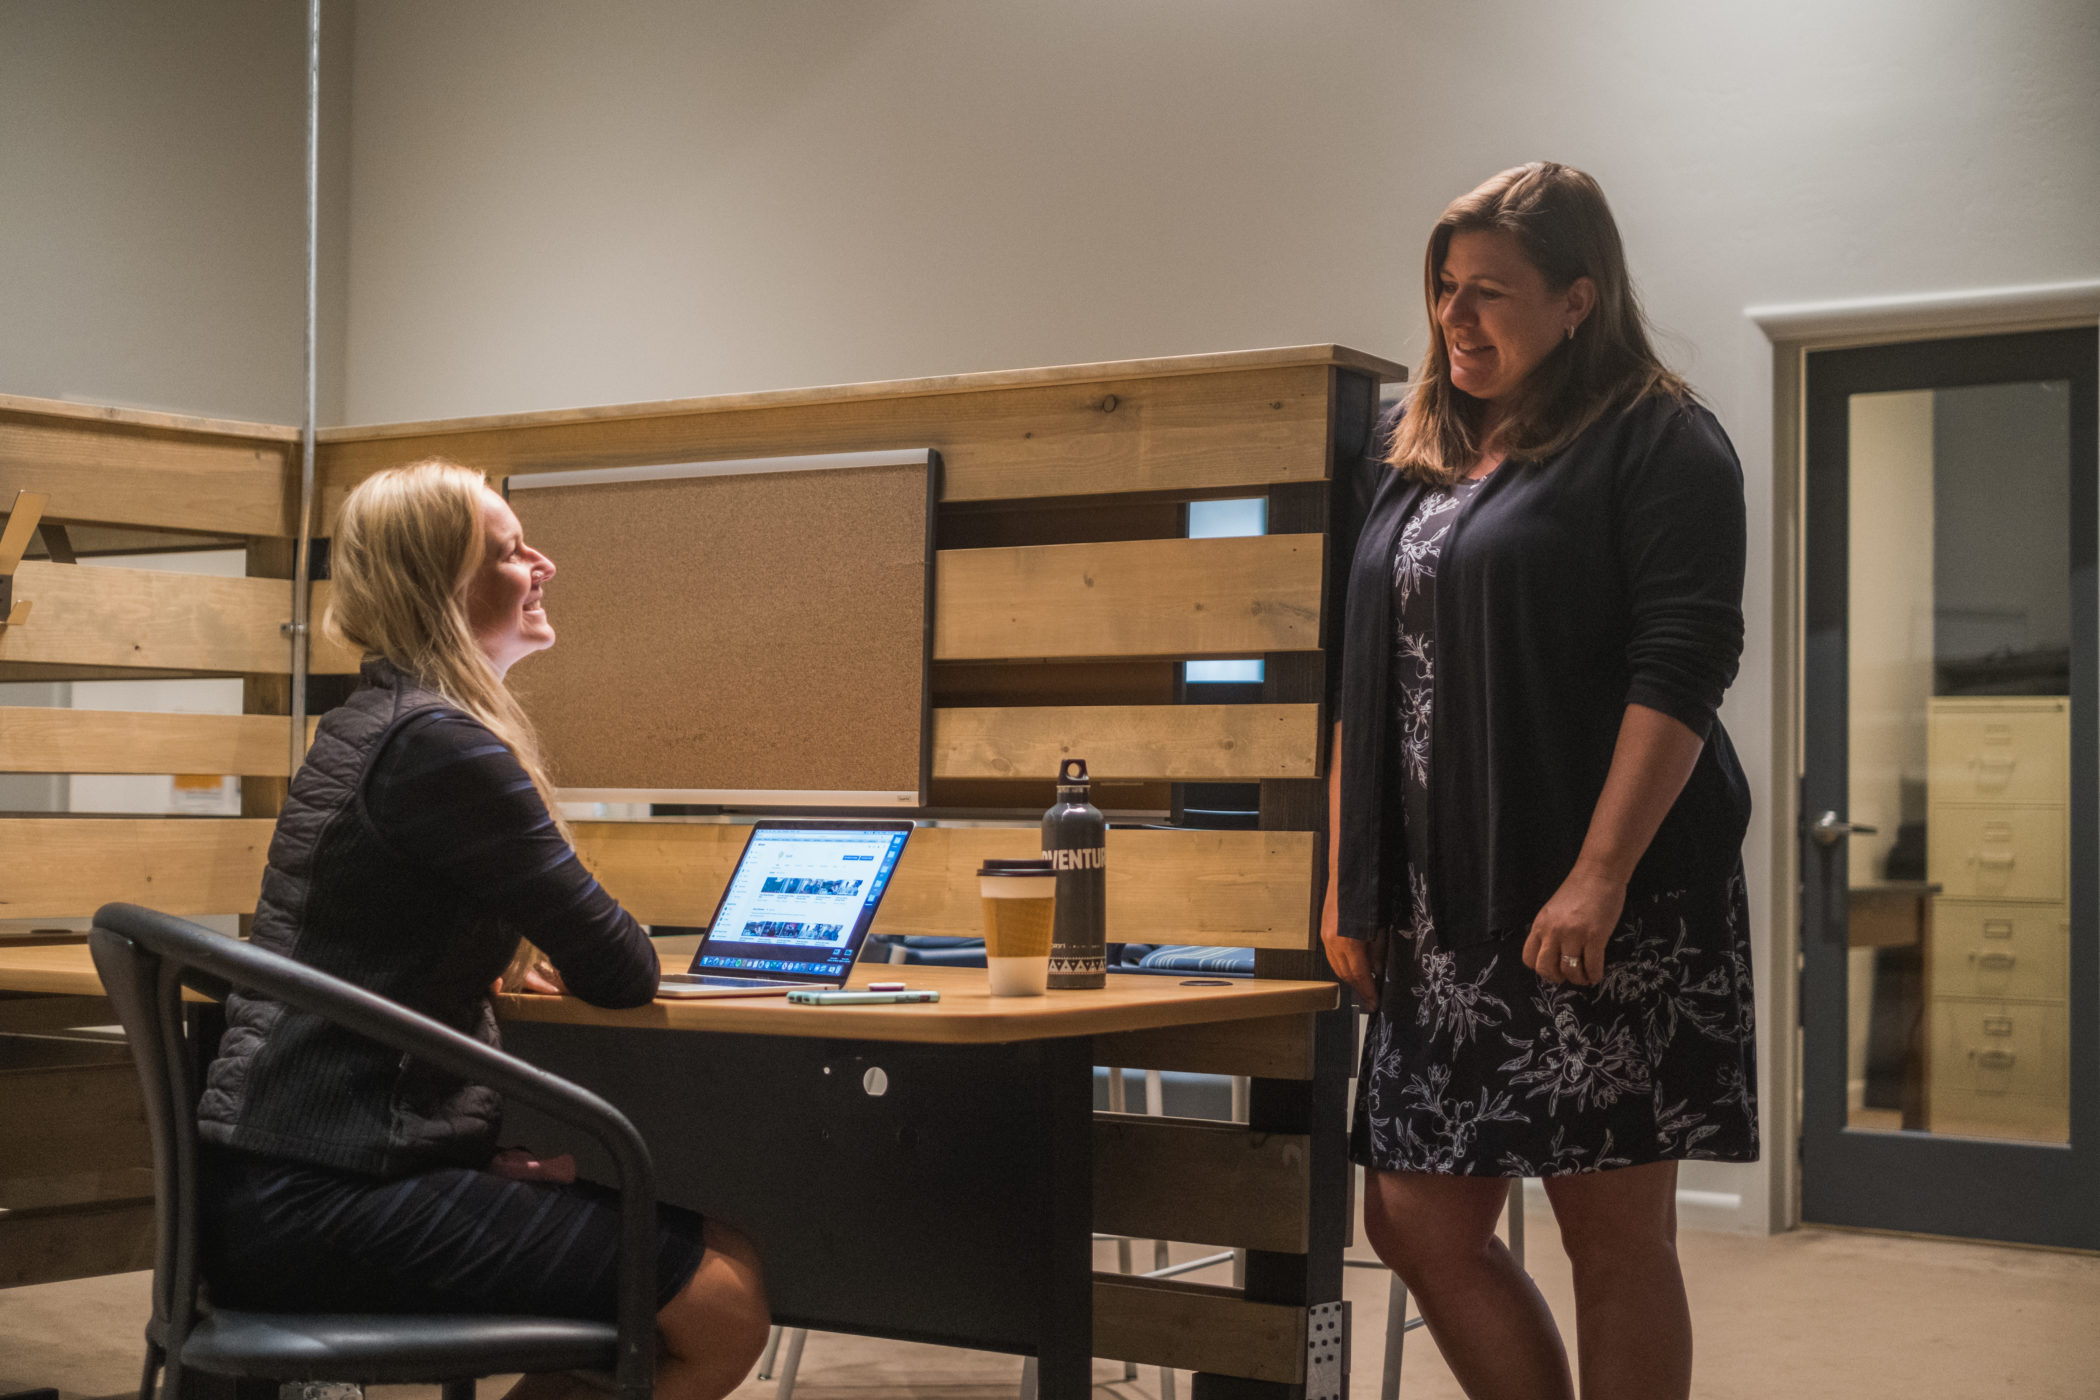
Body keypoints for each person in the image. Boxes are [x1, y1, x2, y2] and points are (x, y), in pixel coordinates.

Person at [194, 459, 770, 1400]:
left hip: (280, 1179)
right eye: (509, 551)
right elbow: (622, 968)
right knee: (723, 1298)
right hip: (328, 1196)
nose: (543, 565)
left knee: (686, 1276)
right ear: (442, 587)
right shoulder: (442, 746)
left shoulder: (372, 724)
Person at [1321, 162, 1757, 1400]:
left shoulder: (1660, 437)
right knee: (1413, 1218)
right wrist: (1350, 877)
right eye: (1444, 288)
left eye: (1490, 293)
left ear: (1578, 298)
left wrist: (1600, 874)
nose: (1455, 318)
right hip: (1441, 913)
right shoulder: (1416, 446)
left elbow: (1683, 666)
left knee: (1612, 1237)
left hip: (1601, 905)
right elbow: (1360, 670)